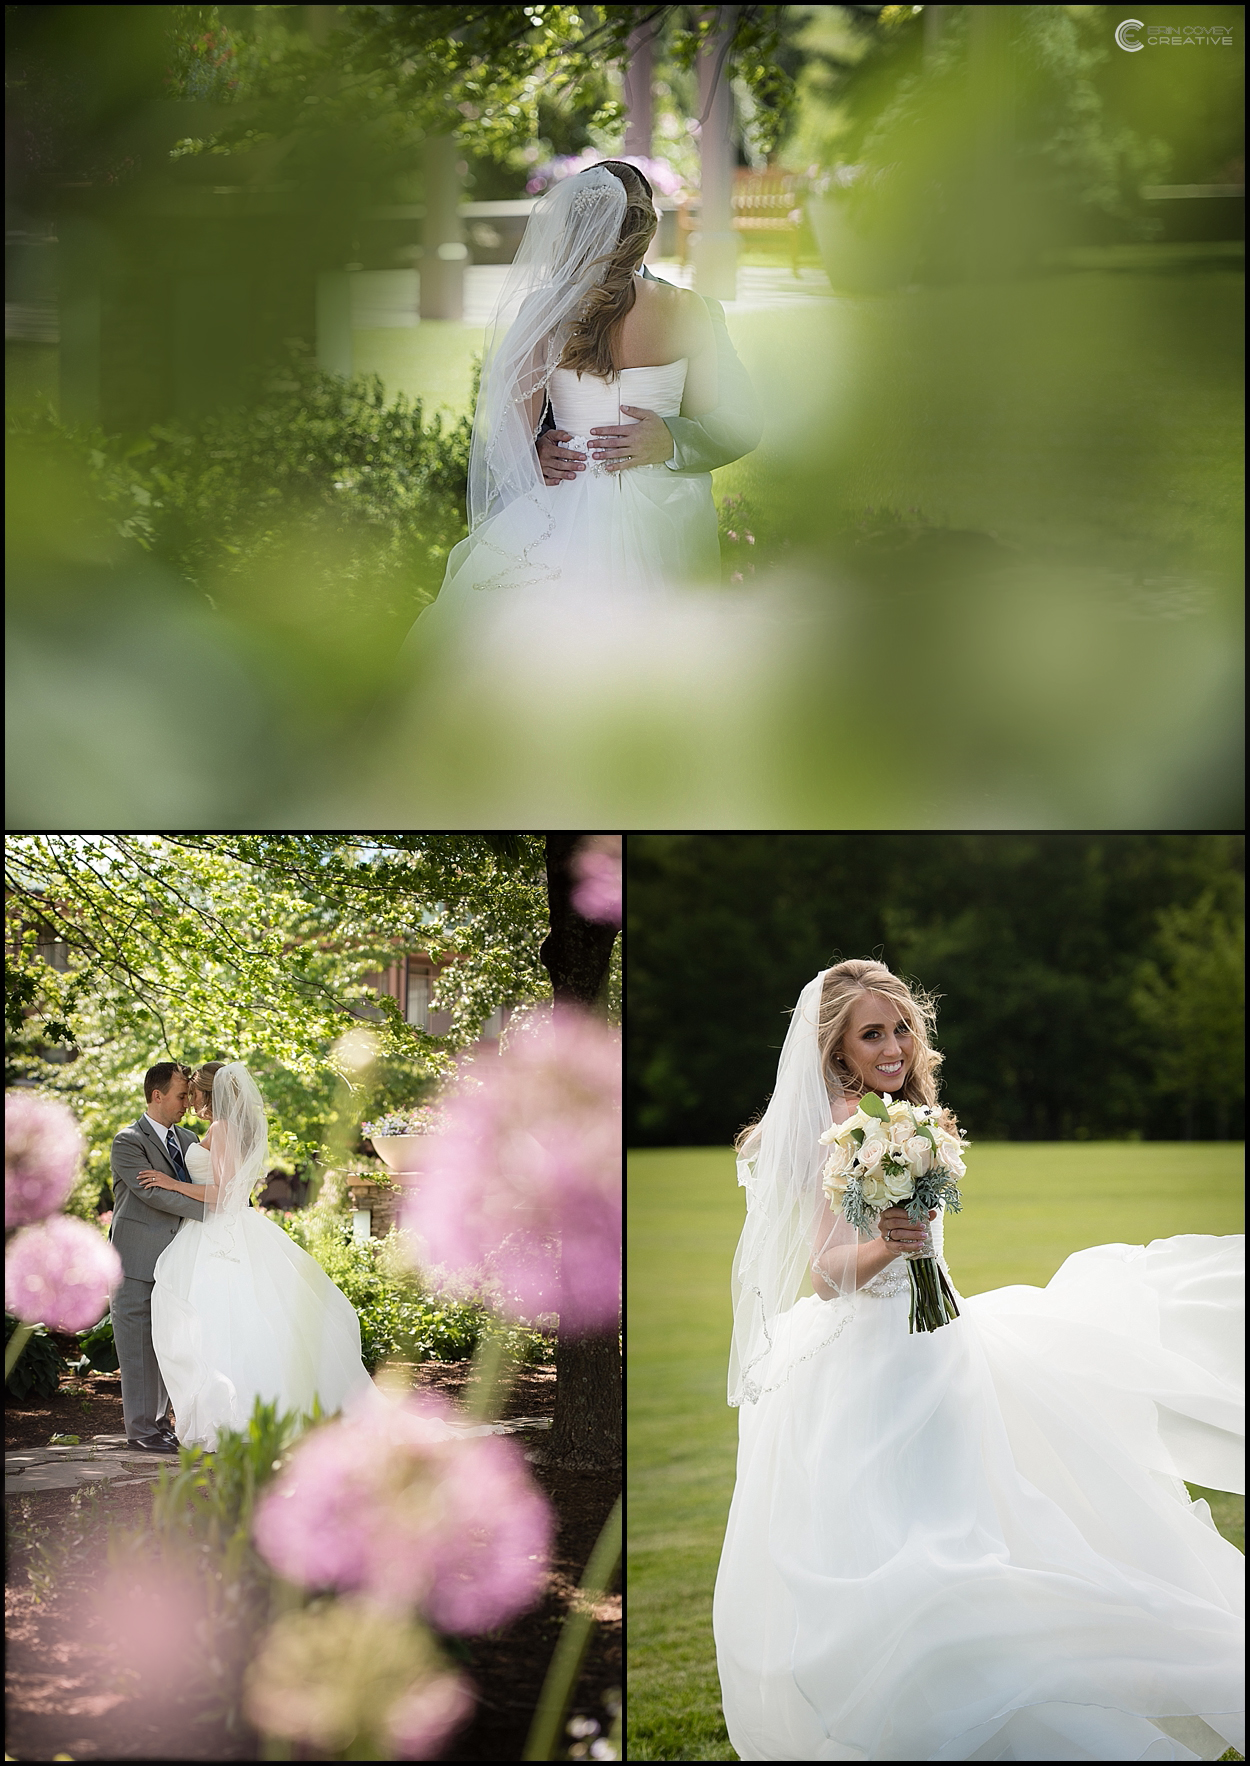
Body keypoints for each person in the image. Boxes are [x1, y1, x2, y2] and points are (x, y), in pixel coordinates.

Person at [713, 959, 1244, 1762]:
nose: (892, 1046)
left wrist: (911, 1230)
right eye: (871, 1034)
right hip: (875, 1364)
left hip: (945, 1345)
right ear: (837, 1048)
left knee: (991, 1518)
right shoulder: (838, 1127)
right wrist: (889, 1247)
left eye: (899, 1029)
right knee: (925, 1547)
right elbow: (825, 1274)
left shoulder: (907, 1113)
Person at [404, 160, 760, 649]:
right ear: (648, 228)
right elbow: (514, 436)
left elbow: (741, 423)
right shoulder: (680, 312)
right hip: (599, 504)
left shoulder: (682, 310)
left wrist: (672, 439)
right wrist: (536, 451)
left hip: (648, 512)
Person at [137, 1060, 376, 1450]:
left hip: (220, 1231)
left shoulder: (223, 1129)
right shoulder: (227, 1128)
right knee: (225, 1322)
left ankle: (237, 1415)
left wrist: (169, 1183)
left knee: (222, 1323)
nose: (191, 1101)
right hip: (217, 1230)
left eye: (193, 1093)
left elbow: (224, 1193)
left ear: (208, 1094)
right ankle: (225, 1410)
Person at [108, 1061, 205, 1453]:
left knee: (167, 1345)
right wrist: (214, 1212)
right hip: (134, 1261)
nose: (188, 1103)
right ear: (157, 1095)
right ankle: (141, 1431)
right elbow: (154, 1194)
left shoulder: (189, 1137)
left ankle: (160, 1422)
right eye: (182, 1095)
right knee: (135, 1349)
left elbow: (199, 1182)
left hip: (178, 1263)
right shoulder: (127, 1141)